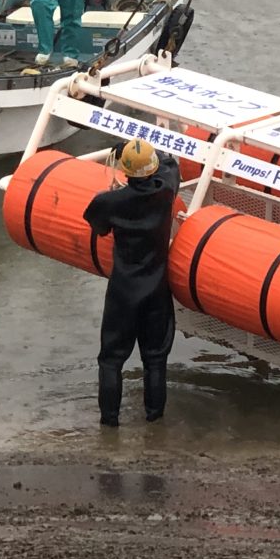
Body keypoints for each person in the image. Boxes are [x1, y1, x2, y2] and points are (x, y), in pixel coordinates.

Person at [83, 139, 180, 426]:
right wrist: (138, 148)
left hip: (123, 291)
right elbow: (170, 162)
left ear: (124, 170)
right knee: (155, 359)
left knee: (111, 360)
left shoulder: (108, 201)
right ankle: (154, 420)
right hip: (156, 289)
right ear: (152, 169)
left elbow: (99, 228)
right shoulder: (166, 190)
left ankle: (110, 423)